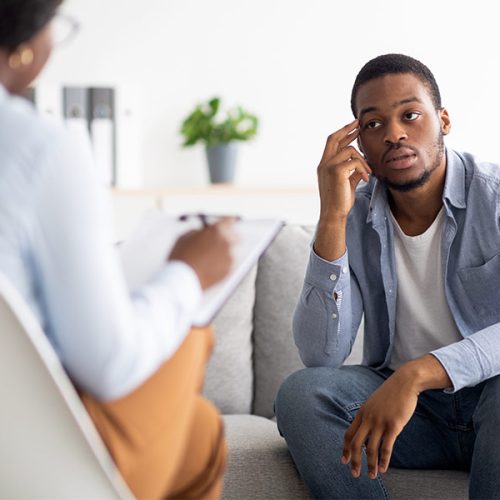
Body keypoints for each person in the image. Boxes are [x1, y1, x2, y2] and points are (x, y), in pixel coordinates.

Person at [0, 1, 237, 498]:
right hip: (30, 459)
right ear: (21, 46)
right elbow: (108, 365)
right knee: (193, 333)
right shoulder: (39, 147)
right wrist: (188, 273)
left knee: (198, 433)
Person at [274, 53, 500, 499]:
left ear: (444, 120)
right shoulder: (353, 214)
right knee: (302, 394)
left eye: (410, 115)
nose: (395, 134)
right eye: (373, 124)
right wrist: (332, 217)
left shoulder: (493, 199)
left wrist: (419, 373)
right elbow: (321, 357)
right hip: (408, 421)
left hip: (489, 405)